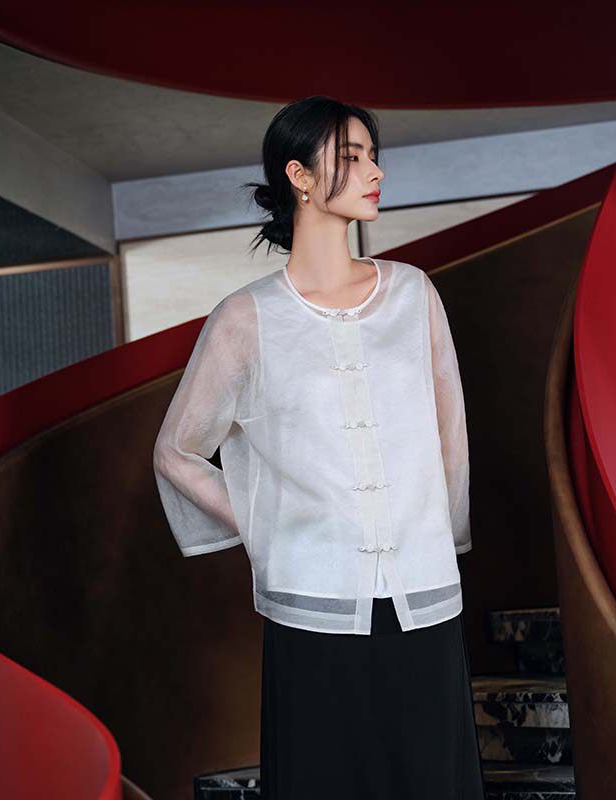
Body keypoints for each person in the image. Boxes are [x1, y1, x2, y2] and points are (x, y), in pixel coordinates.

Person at [152, 95, 485, 800]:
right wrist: (270, 529)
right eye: (352, 157)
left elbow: (449, 434)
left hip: (424, 595)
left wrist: (443, 537)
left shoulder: (414, 294)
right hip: (311, 606)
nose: (376, 172)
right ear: (299, 176)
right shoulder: (245, 319)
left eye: (373, 156)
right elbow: (176, 451)